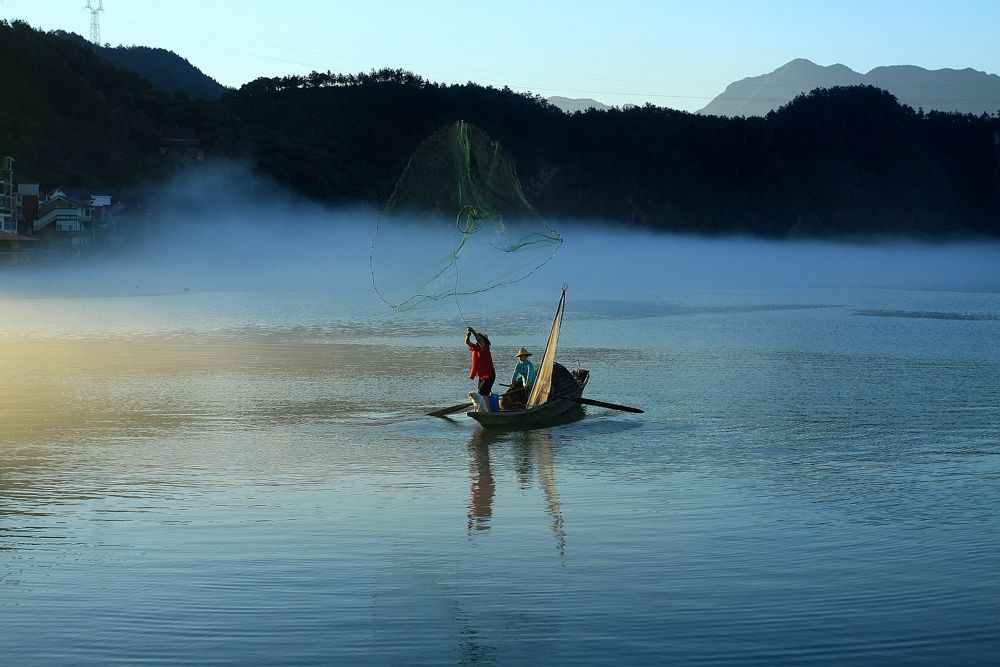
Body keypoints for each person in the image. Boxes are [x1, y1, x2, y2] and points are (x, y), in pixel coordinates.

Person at [465, 326, 495, 396]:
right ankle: (484, 406)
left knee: (483, 393)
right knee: (481, 392)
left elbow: (479, 340)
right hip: (482, 374)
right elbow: (467, 342)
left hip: (489, 374)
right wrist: (468, 335)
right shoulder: (476, 348)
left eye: (480, 338)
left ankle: (486, 407)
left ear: (484, 340)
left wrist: (472, 330)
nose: (478, 339)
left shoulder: (485, 347)